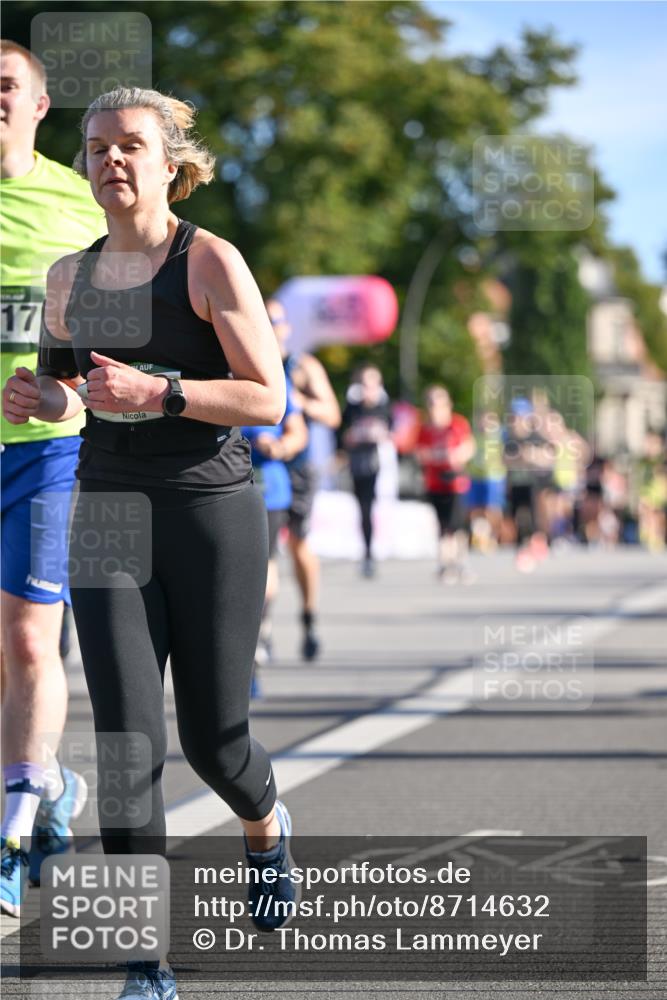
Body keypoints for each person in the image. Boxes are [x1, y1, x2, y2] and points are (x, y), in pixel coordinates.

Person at [3, 85, 298, 999]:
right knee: (129, 741)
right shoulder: (68, 278)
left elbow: (269, 399)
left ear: (172, 164)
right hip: (107, 509)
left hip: (211, 509)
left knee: (218, 743)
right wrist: (42, 400)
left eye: (130, 145)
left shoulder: (209, 263)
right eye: (94, 148)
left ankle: (264, 825)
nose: (109, 162)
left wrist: (163, 394)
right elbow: (66, 391)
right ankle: (146, 962)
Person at [0, 39, 105, 916]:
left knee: (32, 641)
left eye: (6, 87)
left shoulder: (79, 206)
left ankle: (12, 826)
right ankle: (50, 785)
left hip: (49, 449)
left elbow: (123, 331)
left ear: (40, 105)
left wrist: (62, 384)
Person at [266, 298, 341, 660]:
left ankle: (309, 618)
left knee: (297, 544)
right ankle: (262, 631)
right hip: (262, 466)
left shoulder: (302, 366)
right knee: (265, 553)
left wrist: (297, 400)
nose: (270, 327)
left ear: (286, 328)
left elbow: (332, 413)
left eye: (275, 321)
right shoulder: (248, 359)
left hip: (299, 467)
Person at [242, 370, 308, 694]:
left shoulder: (277, 375)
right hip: (222, 488)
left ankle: (257, 645)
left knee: (264, 577)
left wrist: (280, 447)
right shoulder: (212, 359)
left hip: (270, 492)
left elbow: (299, 433)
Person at [416, 386, 476, 583]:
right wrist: (433, 456)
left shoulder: (457, 424)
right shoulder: (425, 429)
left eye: (439, 403)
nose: (436, 408)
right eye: (432, 403)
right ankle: (446, 563)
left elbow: (468, 446)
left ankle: (459, 561)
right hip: (435, 481)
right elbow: (420, 453)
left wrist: (457, 456)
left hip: (455, 482)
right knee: (442, 525)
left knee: (456, 525)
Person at [341, 364, 392, 577]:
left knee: (373, 505)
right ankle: (367, 552)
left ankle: (374, 551)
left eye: (372, 384)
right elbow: (341, 434)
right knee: (363, 508)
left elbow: (394, 432)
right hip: (357, 463)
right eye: (365, 384)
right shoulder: (352, 408)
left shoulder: (384, 408)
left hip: (379, 463)